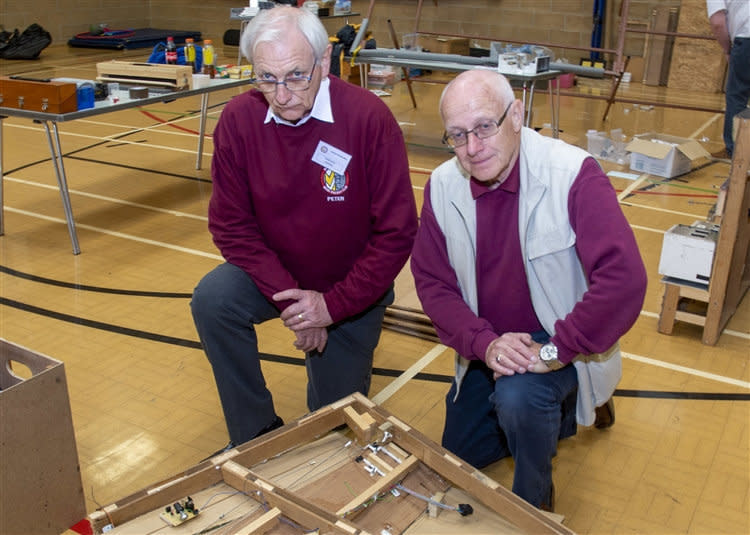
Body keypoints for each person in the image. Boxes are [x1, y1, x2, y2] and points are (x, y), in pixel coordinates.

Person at [410, 69, 647, 510]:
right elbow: (432, 282)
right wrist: (485, 344)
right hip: (492, 341)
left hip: (560, 337)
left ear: (517, 114)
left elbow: (624, 279)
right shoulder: (443, 186)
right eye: (457, 136)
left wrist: (557, 351)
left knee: (519, 400)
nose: (472, 149)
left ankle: (535, 500)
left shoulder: (573, 174)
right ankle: (558, 413)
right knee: (460, 456)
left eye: (484, 127)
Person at [191, 6, 417, 452]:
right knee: (213, 300)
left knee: (333, 431)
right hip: (277, 277)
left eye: (296, 76)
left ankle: (330, 386)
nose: (282, 95)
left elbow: (396, 232)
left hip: (350, 289)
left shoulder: (369, 119)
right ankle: (256, 433)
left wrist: (331, 308)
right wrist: (296, 305)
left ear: (324, 63)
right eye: (266, 78)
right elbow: (230, 225)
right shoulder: (239, 120)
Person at [707, 0, 750, 158]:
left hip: (747, 39)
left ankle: (736, 152)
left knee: (737, 96)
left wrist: (727, 50)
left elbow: (718, 22)